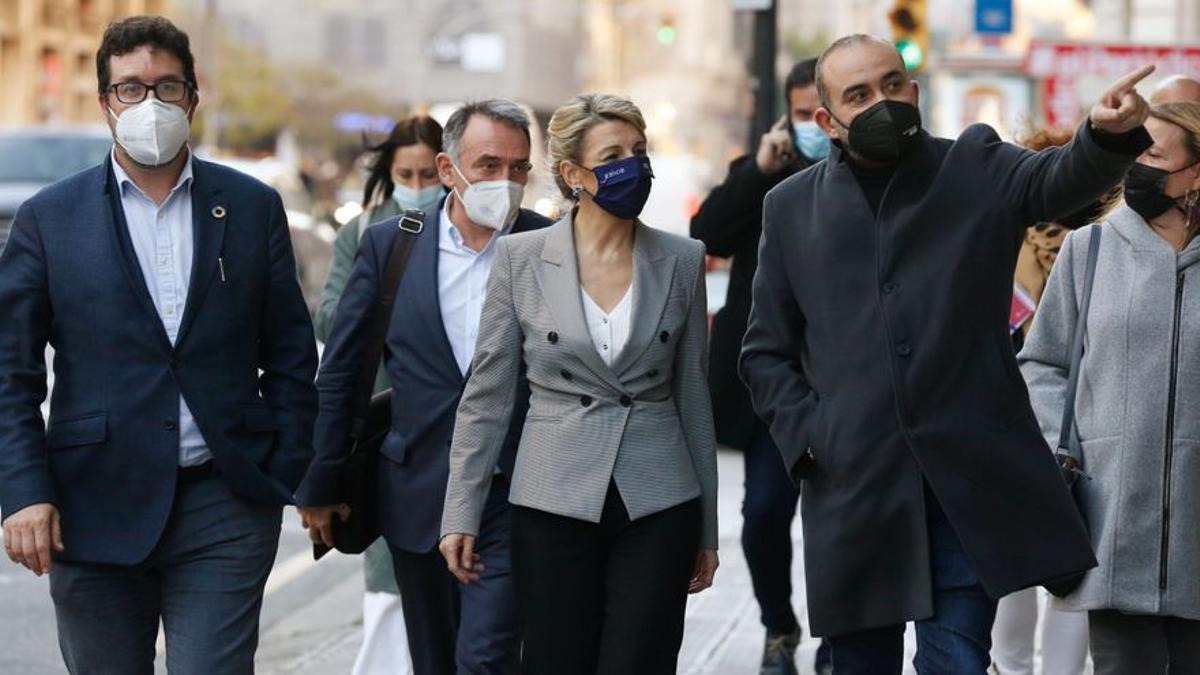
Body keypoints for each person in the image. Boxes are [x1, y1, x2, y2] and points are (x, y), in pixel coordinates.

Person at [738, 33, 1154, 674]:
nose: (884, 101)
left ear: (915, 86)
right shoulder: (790, 208)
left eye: (893, 83)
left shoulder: (976, 162)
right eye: (859, 94)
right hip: (856, 492)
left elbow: (1058, 180)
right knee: (858, 664)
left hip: (967, 487)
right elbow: (765, 352)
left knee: (958, 662)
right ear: (828, 121)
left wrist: (1102, 136)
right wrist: (812, 438)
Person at [0, 16, 318, 673]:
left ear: (194, 97)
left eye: (166, 86)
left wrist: (285, 465)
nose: (149, 104)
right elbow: (11, 371)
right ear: (105, 103)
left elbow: (290, 350)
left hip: (224, 502)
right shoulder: (49, 218)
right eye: (130, 88)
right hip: (92, 506)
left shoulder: (252, 207)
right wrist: (25, 489)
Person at [439, 93, 720, 674]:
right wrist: (460, 512)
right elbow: (487, 398)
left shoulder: (682, 259)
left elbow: (693, 397)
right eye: (613, 155)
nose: (633, 167)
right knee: (555, 659)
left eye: (639, 152)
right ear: (572, 174)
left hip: (658, 499)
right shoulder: (520, 258)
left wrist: (708, 528)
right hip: (552, 498)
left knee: (639, 660)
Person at [297, 99, 551, 675]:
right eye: (488, 166)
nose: (505, 182)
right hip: (419, 494)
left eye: (518, 169)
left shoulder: (547, 245)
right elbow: (344, 372)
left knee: (486, 657)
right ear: (447, 170)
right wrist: (319, 480)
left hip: (512, 492)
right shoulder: (392, 247)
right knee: (433, 660)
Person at [1018, 101, 1200, 675]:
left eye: (1153, 154)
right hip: (1112, 522)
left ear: (1195, 174)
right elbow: (1042, 362)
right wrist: (1058, 449)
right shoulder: (1089, 249)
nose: (1135, 166)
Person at [690, 57, 830, 675]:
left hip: (849, 383)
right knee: (765, 511)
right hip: (774, 384)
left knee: (843, 519)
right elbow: (707, 235)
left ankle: (840, 632)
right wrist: (762, 169)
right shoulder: (762, 173)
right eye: (802, 114)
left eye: (821, 113)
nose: (814, 126)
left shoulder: (875, 173)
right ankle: (780, 626)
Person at [312, 115, 445, 675]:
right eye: (404, 173)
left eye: (425, 172)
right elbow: (331, 318)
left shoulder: (471, 227)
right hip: (388, 421)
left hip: (458, 424)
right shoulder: (366, 231)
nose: (416, 183)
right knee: (391, 568)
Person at [990, 125, 1122, 675]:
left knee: (1073, 576)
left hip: (1083, 439)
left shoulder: (1112, 246)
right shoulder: (1001, 239)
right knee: (1016, 577)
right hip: (1007, 433)